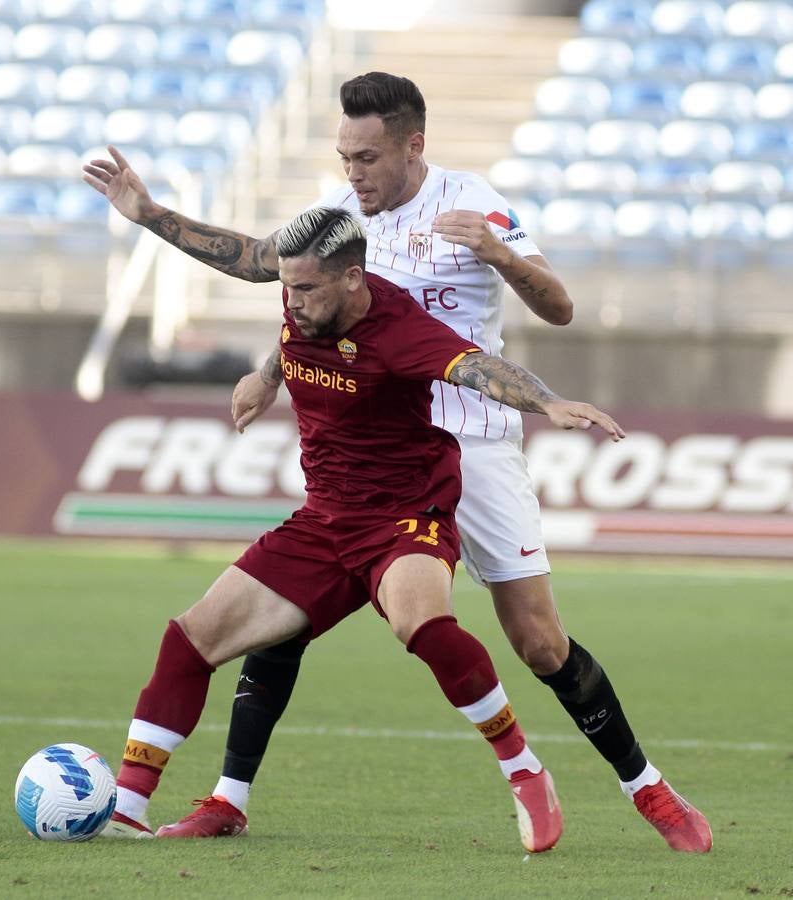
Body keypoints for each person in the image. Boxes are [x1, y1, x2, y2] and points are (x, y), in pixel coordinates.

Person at [82, 73, 712, 853]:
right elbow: (275, 278)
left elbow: (557, 306)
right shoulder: (338, 218)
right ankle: (227, 796)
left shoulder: (472, 203)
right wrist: (259, 359)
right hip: (371, 441)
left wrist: (500, 258)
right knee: (282, 619)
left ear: (412, 146)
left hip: (473, 436)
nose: (353, 174)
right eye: (344, 157)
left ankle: (647, 789)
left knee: (539, 643)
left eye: (367, 158)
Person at [98, 207, 624, 849]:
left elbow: (479, 369)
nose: (293, 301)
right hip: (324, 519)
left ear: (352, 279)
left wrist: (548, 402)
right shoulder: (304, 301)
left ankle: (524, 770)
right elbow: (269, 301)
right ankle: (125, 809)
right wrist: (264, 376)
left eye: (306, 288)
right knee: (188, 640)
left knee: (421, 624)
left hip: (405, 515)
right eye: (287, 288)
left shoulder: (400, 328)